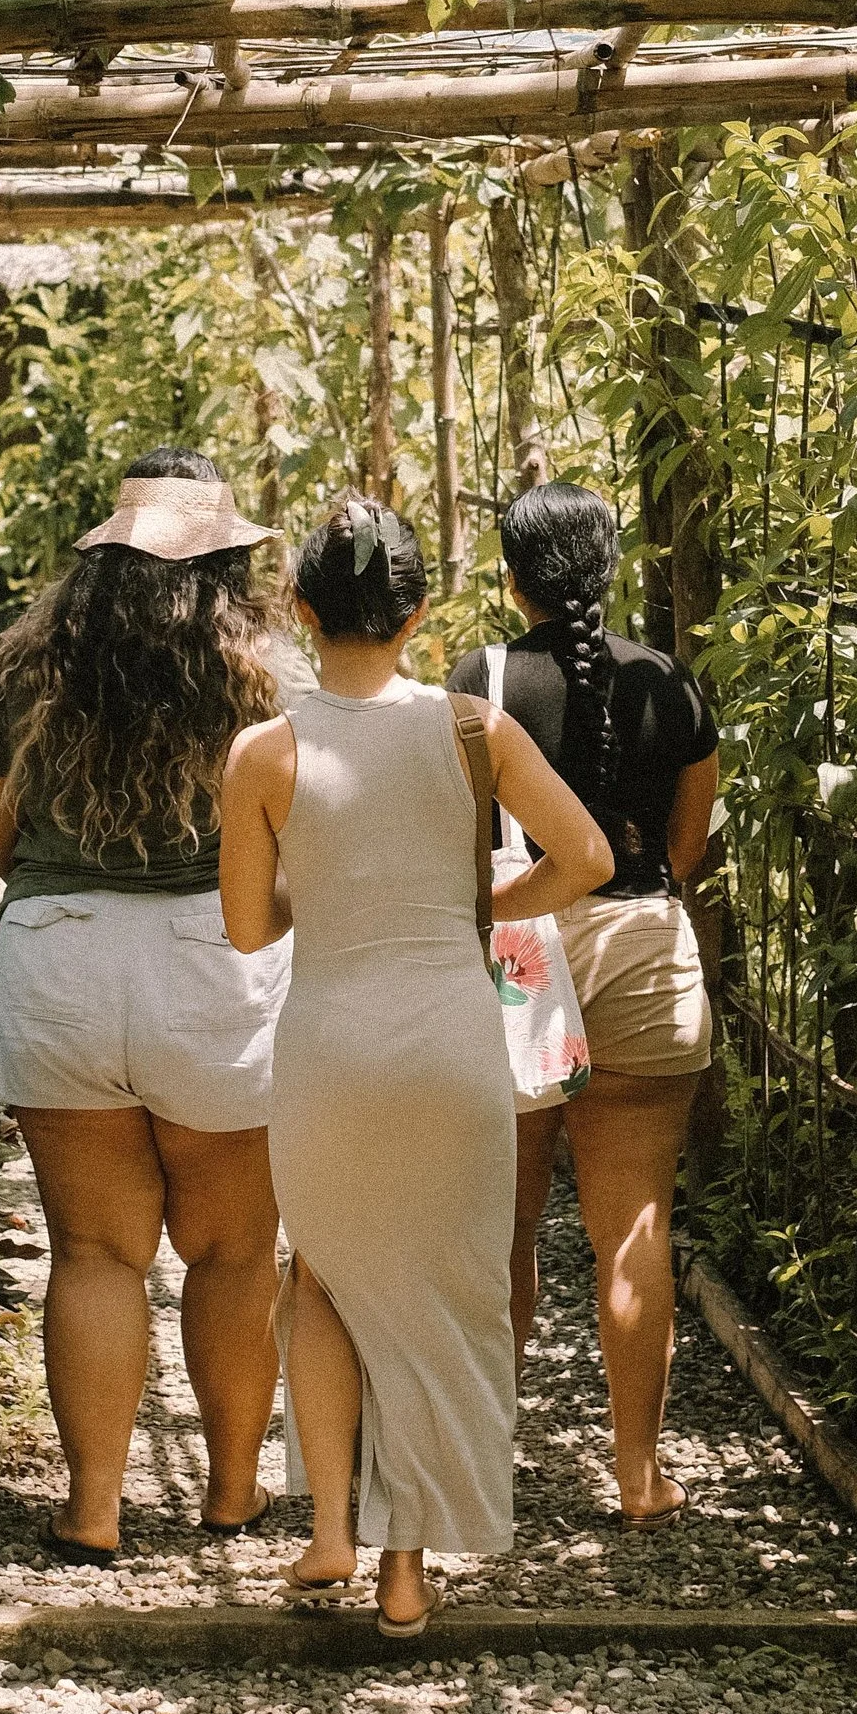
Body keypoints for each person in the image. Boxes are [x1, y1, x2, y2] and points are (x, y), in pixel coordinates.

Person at [221, 495, 610, 1639]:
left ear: (296, 610)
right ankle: (405, 1570)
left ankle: (328, 1529)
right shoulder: (470, 730)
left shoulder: (265, 752)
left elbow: (250, 930)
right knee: (443, 1299)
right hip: (450, 1043)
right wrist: (482, 900)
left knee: (329, 1280)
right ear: (421, 612)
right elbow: (584, 856)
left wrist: (335, 887)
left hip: (330, 1048)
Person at [0, 452, 293, 1563]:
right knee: (236, 1247)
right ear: (226, 565)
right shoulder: (261, 674)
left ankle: (93, 1509)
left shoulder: (26, 667)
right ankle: (233, 1492)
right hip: (216, 961)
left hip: (60, 962)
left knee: (96, 1252)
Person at [448, 481, 721, 1527]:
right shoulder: (670, 684)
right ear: (606, 571)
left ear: (510, 576)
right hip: (646, 944)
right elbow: (687, 850)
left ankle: (482, 1461)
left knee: (505, 1224)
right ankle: (641, 1475)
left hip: (521, 944)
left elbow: (459, 833)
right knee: (634, 1226)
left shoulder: (479, 680)